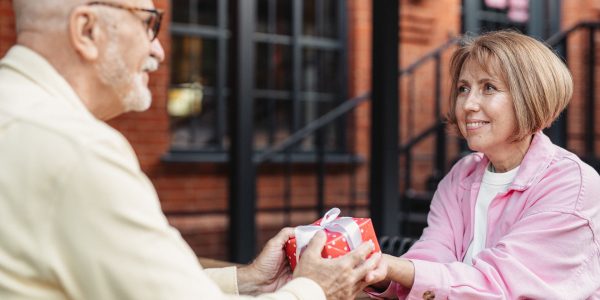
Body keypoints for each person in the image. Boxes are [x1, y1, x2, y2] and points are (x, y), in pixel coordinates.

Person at [0, 0, 383, 299]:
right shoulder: (78, 150)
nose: (159, 51)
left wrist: (245, 280)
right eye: (149, 22)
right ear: (87, 30)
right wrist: (316, 289)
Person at [364, 30, 600, 299]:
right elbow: (431, 258)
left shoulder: (571, 184)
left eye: (488, 87)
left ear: (531, 96)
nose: (468, 104)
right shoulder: (461, 176)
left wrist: (391, 266)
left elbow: (503, 286)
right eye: (464, 88)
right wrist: (379, 274)